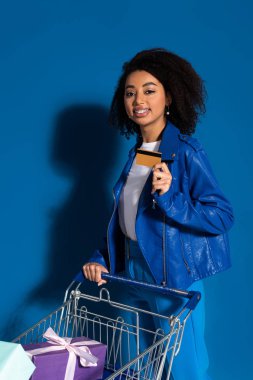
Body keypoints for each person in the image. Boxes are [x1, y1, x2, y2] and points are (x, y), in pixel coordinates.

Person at [82, 48, 234, 380]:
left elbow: (222, 215)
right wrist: (100, 258)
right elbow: (123, 221)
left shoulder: (188, 153)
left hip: (172, 279)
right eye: (130, 92)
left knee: (185, 369)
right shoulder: (136, 156)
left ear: (168, 98)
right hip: (130, 276)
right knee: (135, 368)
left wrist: (172, 200)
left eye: (149, 90)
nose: (138, 99)